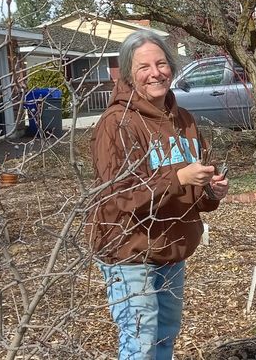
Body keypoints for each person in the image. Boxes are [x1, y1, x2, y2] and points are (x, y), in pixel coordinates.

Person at [89, 32, 229, 359]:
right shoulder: (117, 124)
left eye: (162, 63)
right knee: (140, 341)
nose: (155, 72)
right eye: (144, 67)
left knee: (165, 337)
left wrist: (212, 190)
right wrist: (178, 177)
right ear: (127, 74)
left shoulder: (184, 120)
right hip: (128, 249)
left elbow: (197, 185)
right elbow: (119, 195)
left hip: (171, 248)